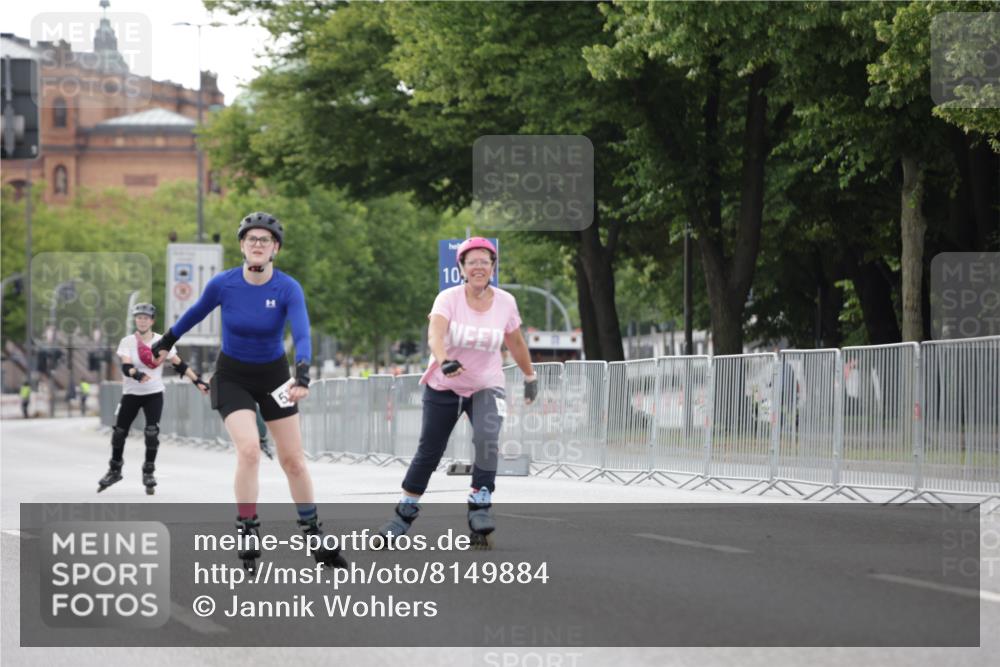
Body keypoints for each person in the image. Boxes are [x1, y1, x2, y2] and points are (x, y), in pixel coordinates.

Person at [150, 212, 345, 571]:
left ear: (275, 249)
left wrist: (302, 373)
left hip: (275, 377)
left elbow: (302, 332)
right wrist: (165, 341)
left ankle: (313, 533)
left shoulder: (287, 288)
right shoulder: (224, 284)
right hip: (233, 375)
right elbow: (195, 313)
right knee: (250, 450)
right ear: (241, 246)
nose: (257, 244)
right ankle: (248, 528)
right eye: (251, 239)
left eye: (264, 240)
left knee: (293, 460)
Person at [377, 237, 537, 549]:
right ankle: (403, 515)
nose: (479, 267)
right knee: (430, 451)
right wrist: (444, 360)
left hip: (487, 385)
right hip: (444, 385)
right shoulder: (448, 298)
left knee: (487, 441)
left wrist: (530, 376)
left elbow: (516, 342)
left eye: (485, 262)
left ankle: (480, 504)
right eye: (472, 262)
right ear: (461, 268)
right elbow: (435, 335)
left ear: (493, 267)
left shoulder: (506, 302)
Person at [98, 303, 209, 494]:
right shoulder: (128, 342)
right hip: (131, 394)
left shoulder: (161, 341)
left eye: (146, 318)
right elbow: (126, 366)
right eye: (139, 318)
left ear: (152, 321)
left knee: (151, 432)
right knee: (119, 432)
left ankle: (148, 471)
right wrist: (136, 374)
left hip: (154, 394)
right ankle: (115, 470)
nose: (142, 321)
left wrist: (197, 381)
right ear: (135, 320)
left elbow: (179, 364)